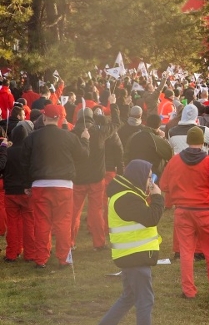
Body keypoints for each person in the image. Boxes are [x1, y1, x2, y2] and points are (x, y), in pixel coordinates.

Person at [160, 126, 209, 298]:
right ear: (203, 142)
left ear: (187, 141)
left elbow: (163, 185)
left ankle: (188, 290)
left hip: (182, 211)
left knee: (186, 251)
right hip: (205, 211)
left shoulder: (175, 161)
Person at [21, 104, 90, 268]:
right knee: (63, 222)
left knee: (42, 223)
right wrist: (85, 140)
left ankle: (41, 259)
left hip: (40, 184)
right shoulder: (68, 136)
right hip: (63, 185)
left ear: (44, 118)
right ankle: (63, 258)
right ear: (59, 118)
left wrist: (27, 183)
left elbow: (24, 162)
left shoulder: (32, 137)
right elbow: (83, 155)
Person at [99, 160, 164, 325]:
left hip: (131, 255)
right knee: (145, 300)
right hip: (135, 256)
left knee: (129, 297)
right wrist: (157, 197)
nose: (151, 182)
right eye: (149, 178)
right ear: (139, 177)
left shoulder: (126, 194)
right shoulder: (127, 198)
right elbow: (151, 218)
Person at [71, 104, 120, 251]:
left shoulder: (72, 135)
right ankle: (99, 243)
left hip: (78, 179)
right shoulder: (100, 133)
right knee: (96, 211)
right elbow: (116, 123)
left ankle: (69, 242)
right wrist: (113, 105)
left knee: (74, 212)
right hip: (96, 179)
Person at [3, 121, 34, 262]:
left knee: (12, 224)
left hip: (10, 191)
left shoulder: (7, 152)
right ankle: (30, 253)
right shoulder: (29, 152)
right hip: (26, 191)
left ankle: (12, 252)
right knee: (29, 223)